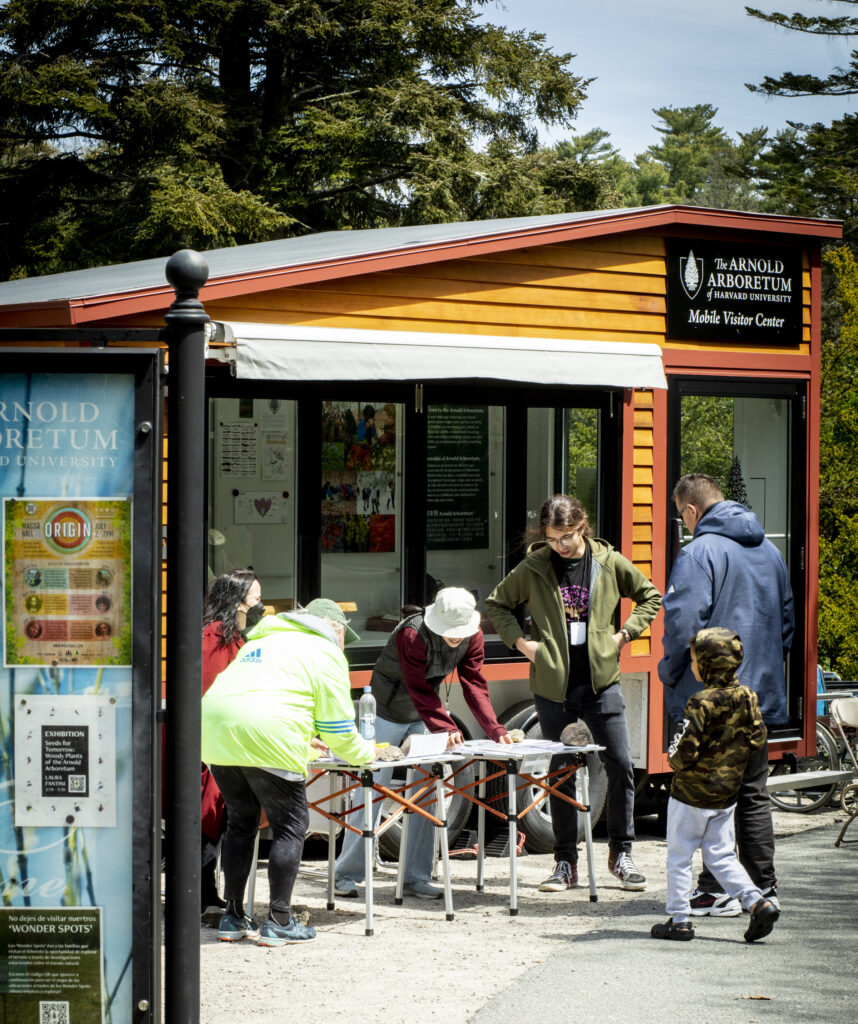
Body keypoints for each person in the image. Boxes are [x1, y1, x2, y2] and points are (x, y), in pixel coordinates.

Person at [486, 494, 661, 893]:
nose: (560, 546)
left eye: (566, 537)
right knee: (562, 771)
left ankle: (622, 853)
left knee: (619, 764)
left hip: (601, 683)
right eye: (552, 539)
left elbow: (651, 596)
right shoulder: (534, 567)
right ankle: (565, 863)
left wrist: (624, 635)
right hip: (554, 688)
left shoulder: (608, 562)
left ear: (582, 525)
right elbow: (497, 604)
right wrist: (523, 644)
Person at [202, 599, 377, 946]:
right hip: (268, 736)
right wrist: (367, 753)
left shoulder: (264, 641)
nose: (343, 645)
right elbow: (339, 728)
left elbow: (261, 697)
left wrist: (300, 733)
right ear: (335, 630)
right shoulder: (324, 652)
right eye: (344, 637)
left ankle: (233, 917)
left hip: (215, 733)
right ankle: (280, 920)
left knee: (240, 823)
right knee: (291, 826)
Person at [658, 473, 794, 915]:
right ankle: (761, 889)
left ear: (692, 511)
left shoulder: (698, 553)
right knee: (752, 792)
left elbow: (682, 624)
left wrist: (670, 670)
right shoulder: (770, 551)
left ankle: (715, 889)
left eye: (682, 516)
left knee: (706, 794)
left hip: (708, 696)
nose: (684, 523)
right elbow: (787, 621)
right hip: (760, 693)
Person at [334, 587, 512, 900]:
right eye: (450, 632)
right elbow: (417, 685)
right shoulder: (412, 634)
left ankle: (415, 877)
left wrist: (495, 729)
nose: (456, 637)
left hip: (424, 713)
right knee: (371, 788)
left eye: (461, 632)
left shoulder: (475, 636)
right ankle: (346, 874)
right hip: (384, 711)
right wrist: (445, 725)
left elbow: (474, 684)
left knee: (427, 791)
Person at [651, 627, 779, 943]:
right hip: (726, 797)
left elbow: (686, 751)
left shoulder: (700, 702)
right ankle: (756, 901)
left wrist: (673, 757)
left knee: (680, 857)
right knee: (721, 856)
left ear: (709, 664)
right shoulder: (748, 697)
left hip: (690, 796)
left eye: (695, 659)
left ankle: (679, 921)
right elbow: (758, 738)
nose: (692, 665)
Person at [199, 570, 265, 913]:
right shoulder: (215, 637)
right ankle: (202, 896)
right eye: (255, 599)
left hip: (227, 743)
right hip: (211, 744)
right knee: (208, 817)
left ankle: (211, 896)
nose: (260, 605)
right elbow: (208, 691)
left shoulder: (235, 636)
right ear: (238, 600)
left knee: (221, 818)